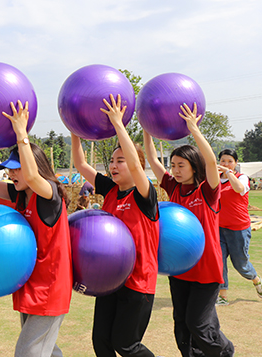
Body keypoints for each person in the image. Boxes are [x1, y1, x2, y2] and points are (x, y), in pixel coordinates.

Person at [0, 100, 72, 357]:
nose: (11, 175)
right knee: (47, 349)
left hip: (50, 286)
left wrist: (21, 133)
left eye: (17, 169)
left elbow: (35, 177)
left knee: (28, 352)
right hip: (28, 281)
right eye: (10, 170)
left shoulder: (49, 194)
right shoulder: (19, 193)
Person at [72, 94, 160, 357]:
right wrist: (75, 131)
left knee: (126, 344)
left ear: (137, 166)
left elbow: (134, 163)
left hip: (138, 284)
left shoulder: (145, 194)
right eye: (111, 161)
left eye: (119, 161)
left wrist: (118, 123)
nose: (113, 165)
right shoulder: (110, 191)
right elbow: (81, 164)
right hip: (109, 280)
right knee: (102, 343)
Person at [144, 103, 234, 357]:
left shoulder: (207, 191)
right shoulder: (173, 188)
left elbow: (211, 160)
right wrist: (147, 128)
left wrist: (193, 128)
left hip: (206, 270)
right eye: (173, 165)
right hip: (180, 268)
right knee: (182, 327)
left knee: (199, 324)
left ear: (194, 166)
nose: (174, 170)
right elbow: (152, 159)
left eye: (180, 165)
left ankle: (226, 352)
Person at [217, 149, 262, 306]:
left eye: (229, 161)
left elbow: (238, 188)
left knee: (240, 264)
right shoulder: (215, 179)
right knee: (219, 262)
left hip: (238, 228)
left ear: (236, 163)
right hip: (218, 228)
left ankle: (256, 279)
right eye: (223, 161)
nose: (226, 164)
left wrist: (228, 173)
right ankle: (222, 296)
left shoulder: (242, 178)